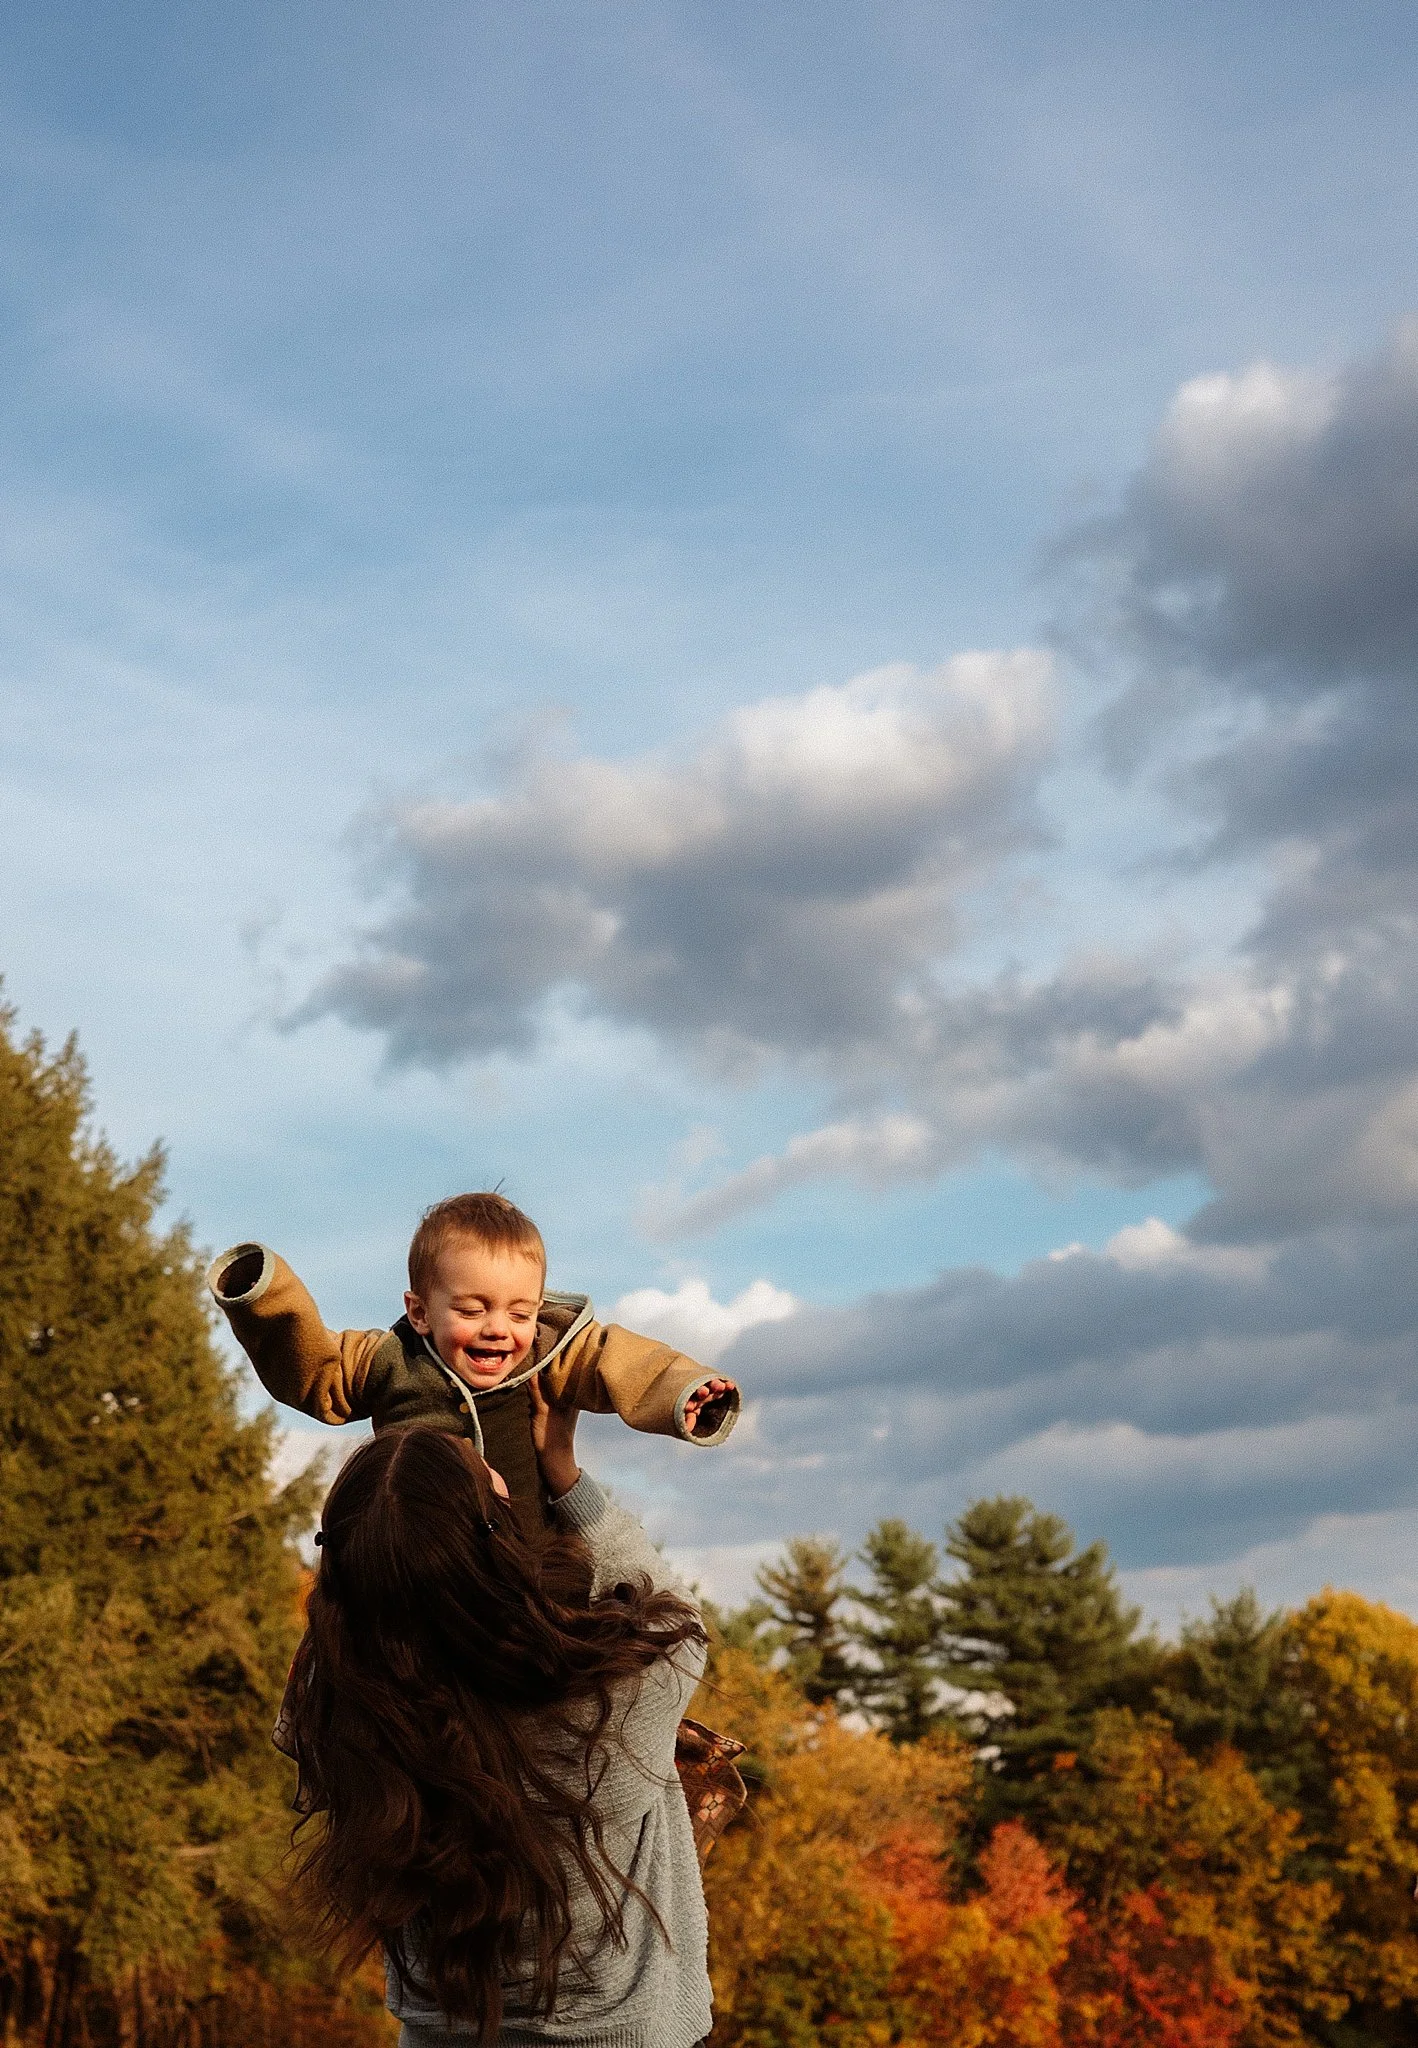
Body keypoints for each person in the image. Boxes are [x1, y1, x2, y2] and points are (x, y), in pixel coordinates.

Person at [286, 1384, 716, 2048]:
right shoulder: (608, 1702)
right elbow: (677, 1616)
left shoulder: (336, 1712)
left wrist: (373, 1549)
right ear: (496, 1540)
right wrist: (566, 1477)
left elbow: (338, 1631)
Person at [207, 1191, 740, 1549]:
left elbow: (615, 1360)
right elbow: (315, 1372)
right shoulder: (389, 1359)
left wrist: (682, 1391)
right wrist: (263, 1300)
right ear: (420, 1312)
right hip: (417, 1568)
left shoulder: (546, 1355)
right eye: (471, 1310)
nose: (498, 1329)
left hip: (528, 1575)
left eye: (520, 1313)